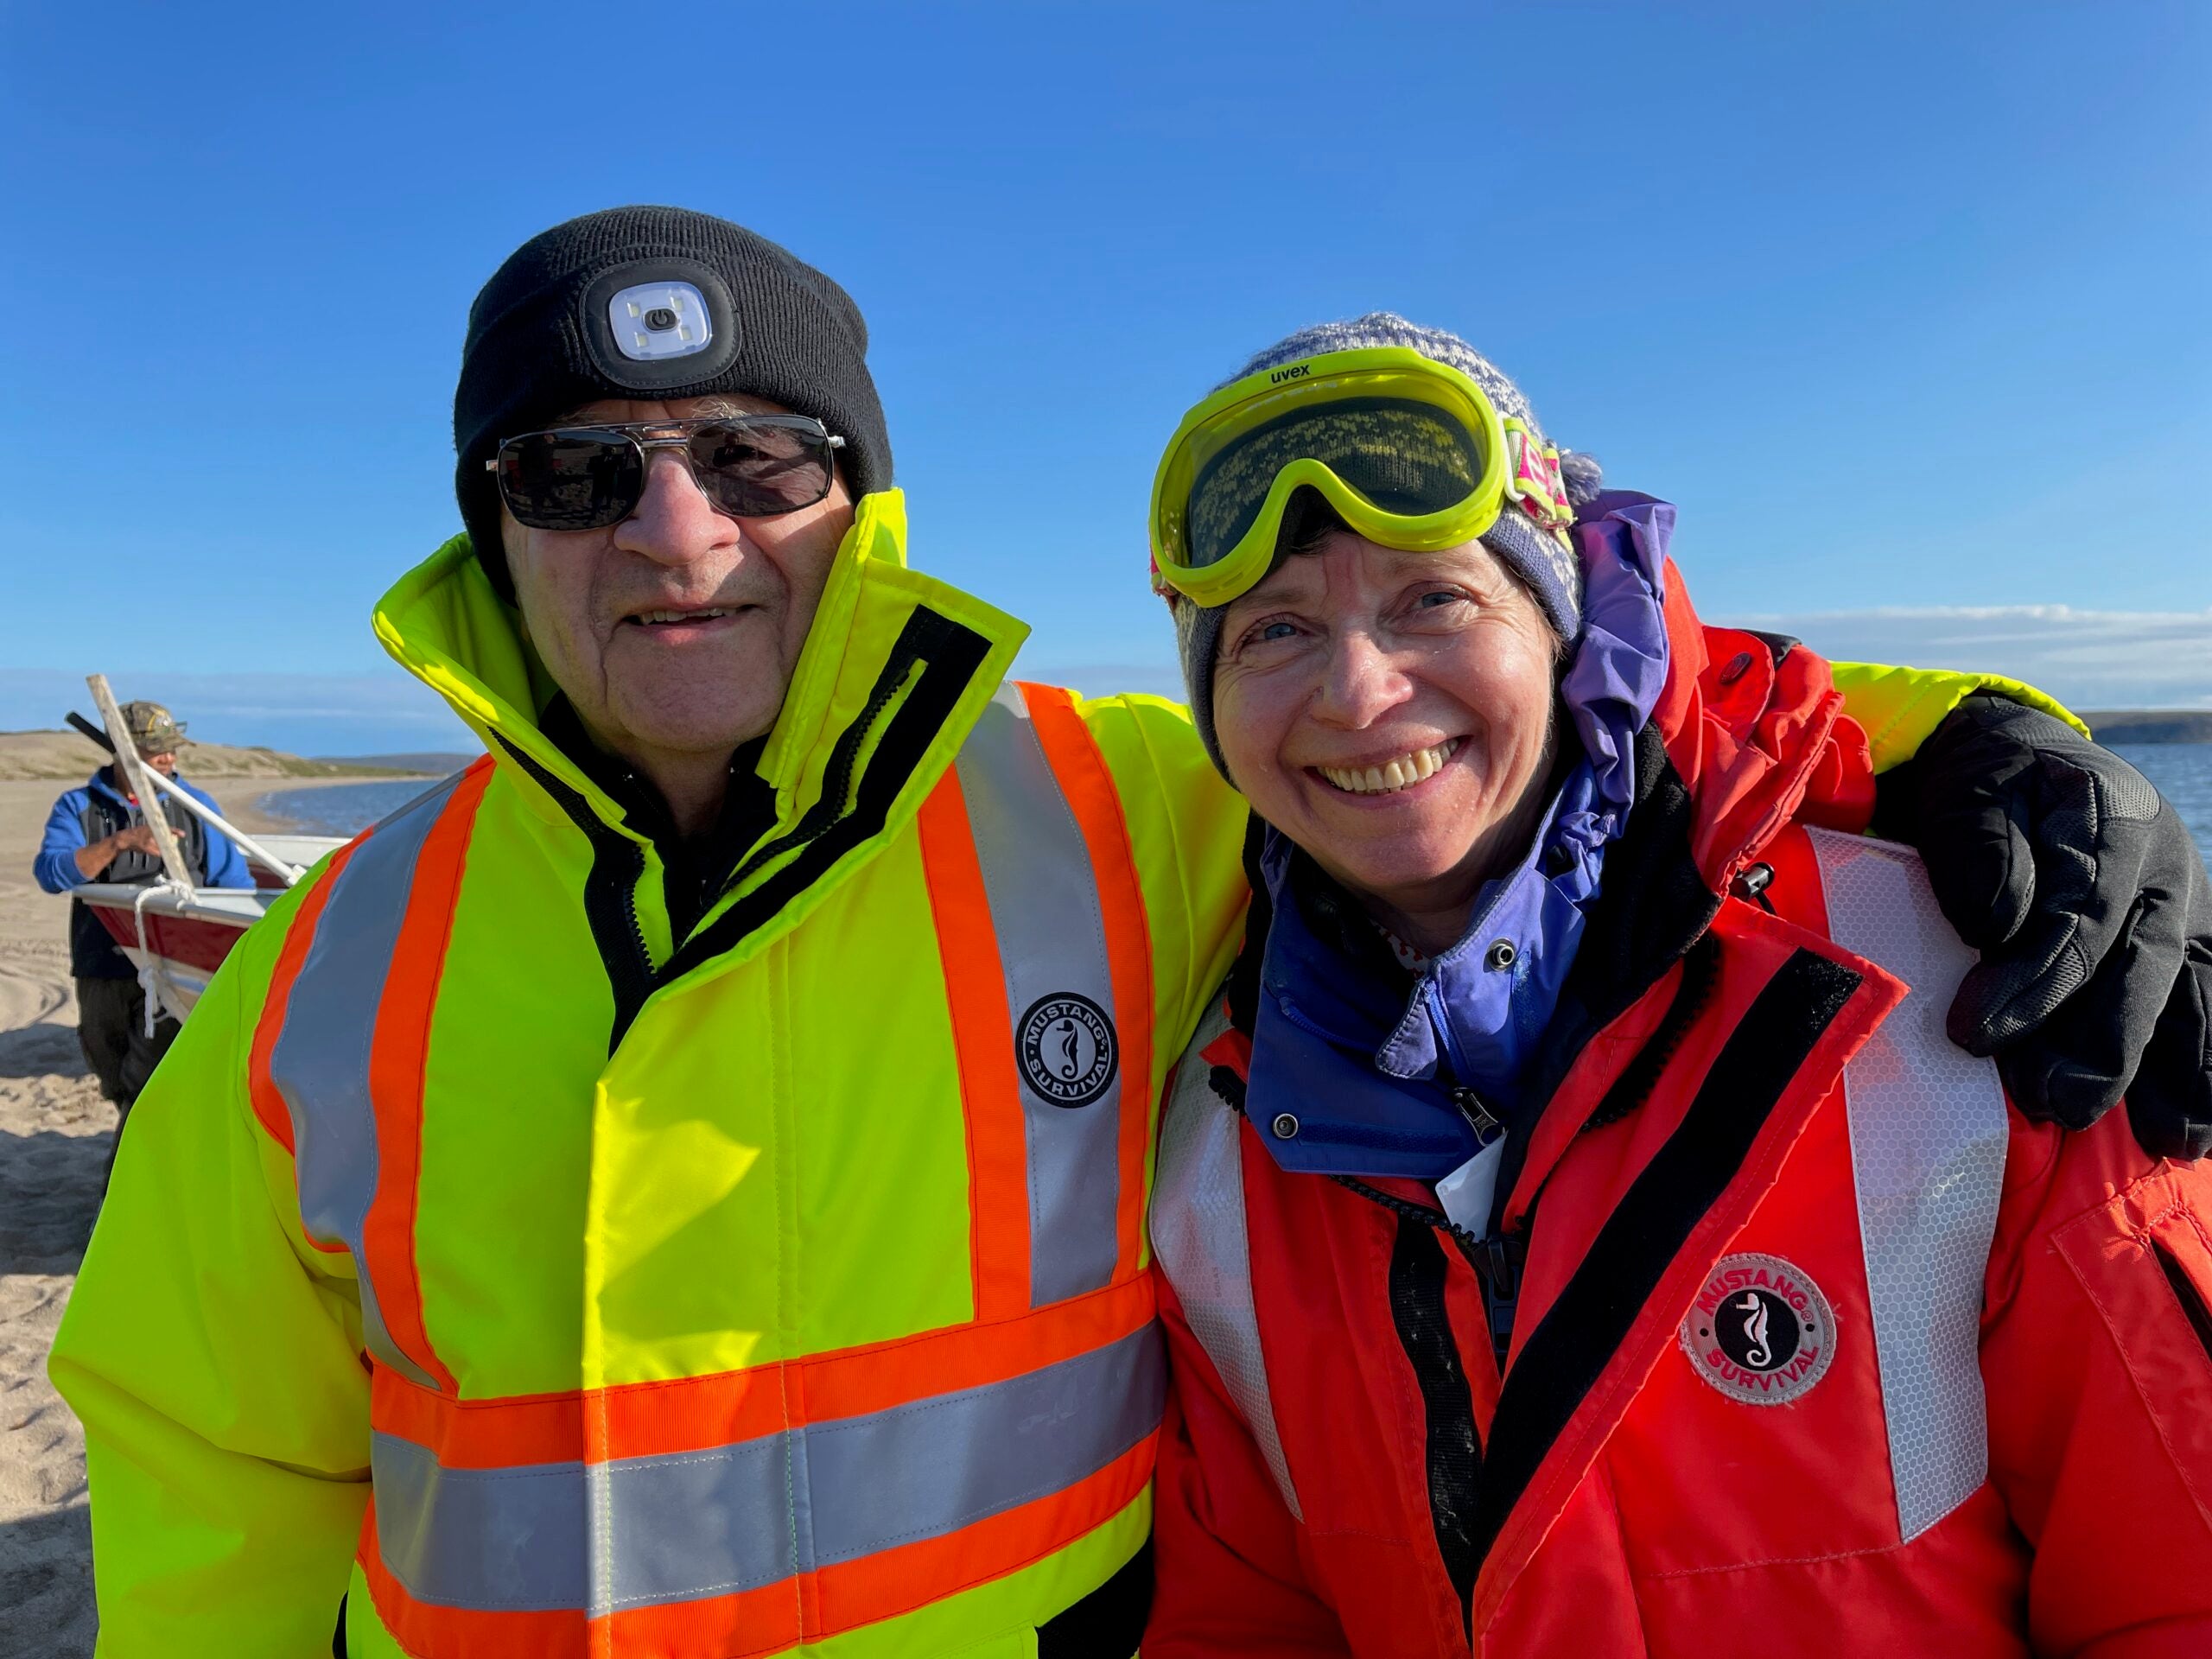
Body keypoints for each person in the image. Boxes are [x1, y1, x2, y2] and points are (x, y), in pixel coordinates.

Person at [46, 213, 2209, 1657]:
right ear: (488, 528)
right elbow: (205, 1467)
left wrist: (1976, 746)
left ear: (856, 500)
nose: (676, 531)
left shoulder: (1109, 808)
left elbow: (1578, 743)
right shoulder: (329, 963)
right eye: (575, 471)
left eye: (752, 454)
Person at [1139, 317, 2212, 1656]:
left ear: (1564, 625)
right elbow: (1245, 1613)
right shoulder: (1218, 1131)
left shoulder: (1962, 992)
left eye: (1435, 598)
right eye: (1274, 632)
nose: (1359, 691)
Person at [32, 700, 250, 1154]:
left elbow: (234, 887)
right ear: (123, 753)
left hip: (175, 972)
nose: (168, 759)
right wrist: (121, 842)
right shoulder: (79, 806)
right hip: (102, 965)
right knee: (112, 1074)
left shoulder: (197, 807)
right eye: (156, 751)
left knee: (147, 1083)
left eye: (172, 750)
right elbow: (51, 874)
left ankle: (123, 1178)